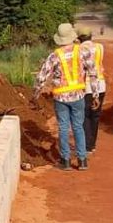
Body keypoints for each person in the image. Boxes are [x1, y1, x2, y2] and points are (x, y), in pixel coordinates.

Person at [35, 23, 98, 171]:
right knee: (78, 126)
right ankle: (82, 160)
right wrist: (95, 95)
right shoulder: (83, 51)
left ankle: (66, 160)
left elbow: (41, 77)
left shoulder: (54, 55)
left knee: (63, 127)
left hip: (61, 98)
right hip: (78, 96)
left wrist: (36, 93)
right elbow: (93, 73)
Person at [78, 25, 106, 154]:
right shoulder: (100, 47)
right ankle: (92, 144)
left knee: (85, 116)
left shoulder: (78, 50)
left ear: (79, 38)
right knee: (95, 115)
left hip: (87, 86)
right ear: (91, 36)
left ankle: (87, 145)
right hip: (100, 85)